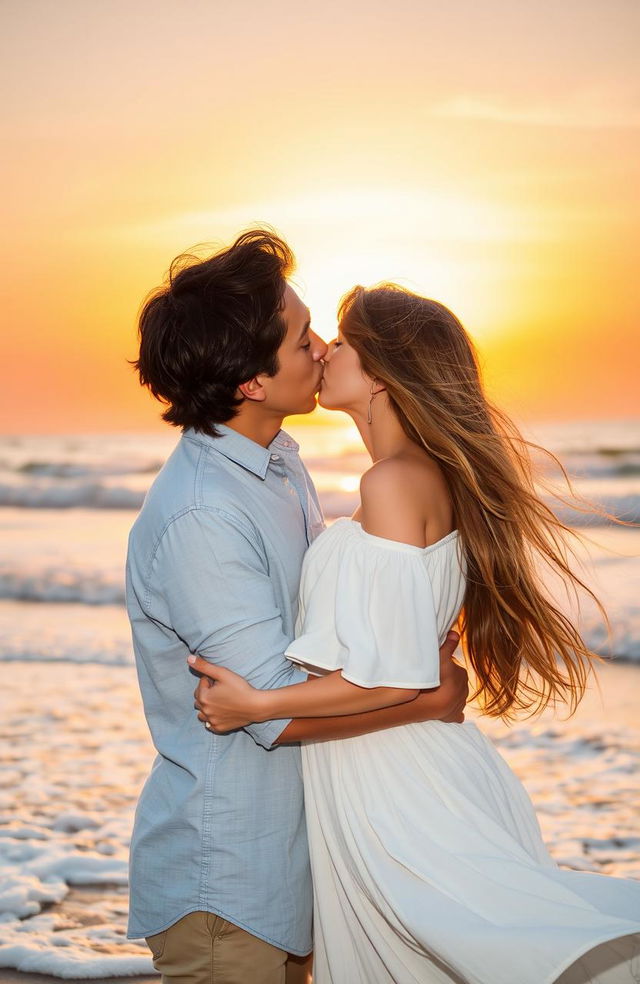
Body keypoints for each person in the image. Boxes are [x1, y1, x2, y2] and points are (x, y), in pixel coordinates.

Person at [190, 283, 640, 983]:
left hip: (398, 784)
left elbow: (399, 677)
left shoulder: (394, 484)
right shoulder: (404, 477)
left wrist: (257, 705)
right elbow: (409, 667)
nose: (324, 350)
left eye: (341, 341)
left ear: (381, 375)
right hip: (390, 764)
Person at [124, 231, 469, 984]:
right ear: (250, 380)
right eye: (301, 336)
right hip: (230, 884)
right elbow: (271, 715)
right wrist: (428, 695)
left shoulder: (279, 464)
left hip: (304, 859)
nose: (321, 348)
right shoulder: (203, 516)